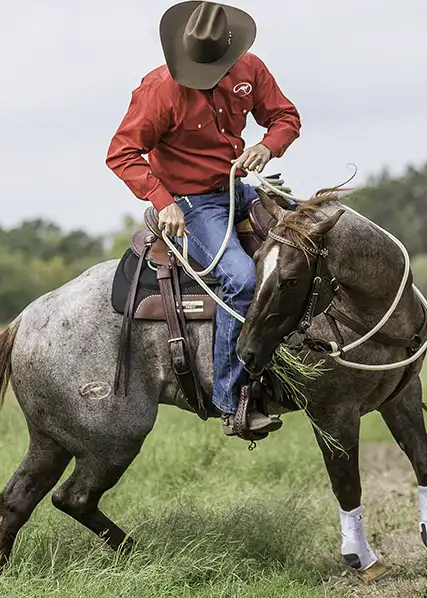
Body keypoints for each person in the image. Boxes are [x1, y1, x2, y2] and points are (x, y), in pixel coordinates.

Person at [106, 1, 302, 437]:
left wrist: (267, 146)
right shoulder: (159, 90)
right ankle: (232, 400)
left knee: (310, 242)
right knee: (241, 279)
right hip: (192, 202)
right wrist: (163, 201)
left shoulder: (250, 69)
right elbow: (121, 153)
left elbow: (285, 117)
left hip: (239, 188)